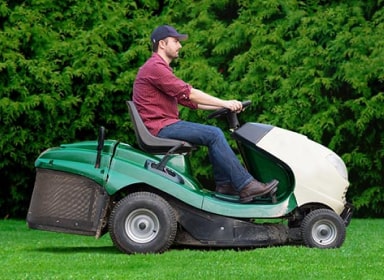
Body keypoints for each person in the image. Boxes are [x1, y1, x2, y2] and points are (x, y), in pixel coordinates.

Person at [132, 25, 278, 203]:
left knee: (213, 134)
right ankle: (246, 186)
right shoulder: (155, 68)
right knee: (213, 134)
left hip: (163, 125)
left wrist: (226, 106)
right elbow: (190, 93)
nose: (180, 46)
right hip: (160, 128)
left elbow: (190, 101)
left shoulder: (158, 68)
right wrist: (224, 103)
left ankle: (225, 185)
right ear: (162, 44)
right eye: (176, 41)